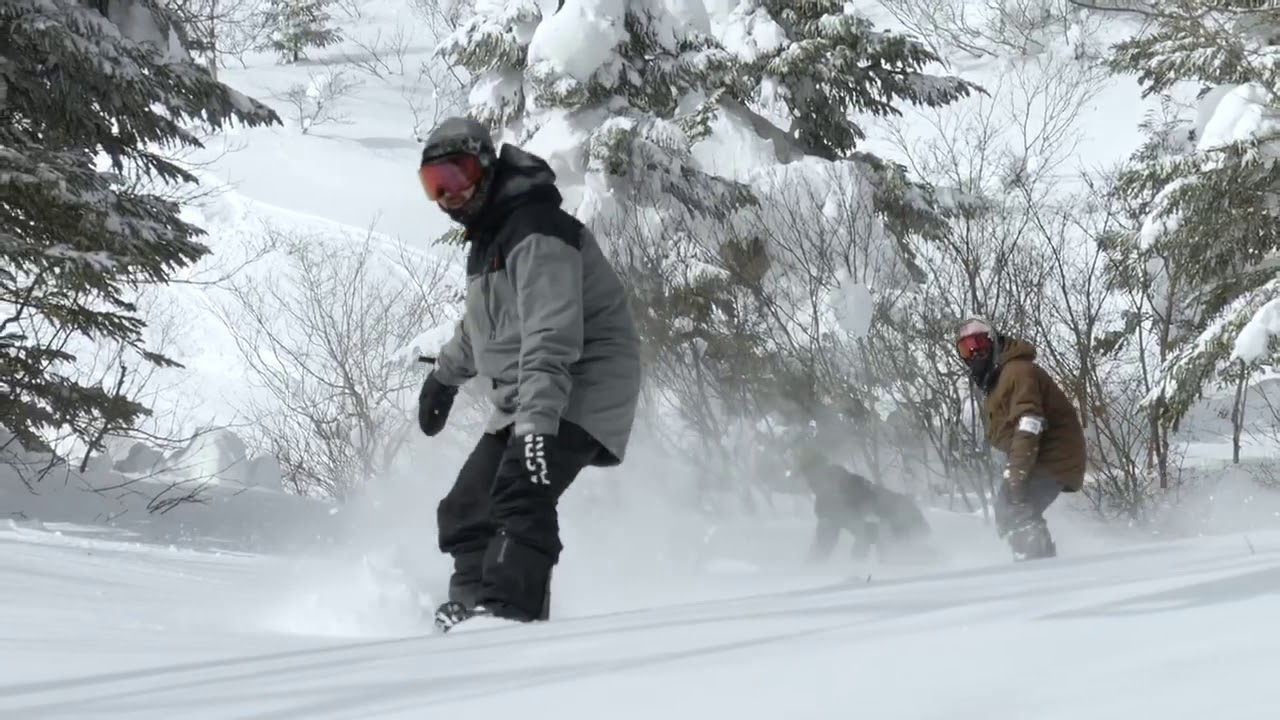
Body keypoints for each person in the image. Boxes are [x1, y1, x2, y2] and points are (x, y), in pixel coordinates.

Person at [413, 116, 642, 630]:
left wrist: (536, 427)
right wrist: (443, 379)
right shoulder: (491, 240)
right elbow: (478, 330)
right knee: (465, 507)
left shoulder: (538, 230)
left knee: (521, 491)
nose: (450, 195)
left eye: (458, 175)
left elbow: (552, 336)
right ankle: (472, 606)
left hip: (579, 388)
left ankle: (507, 620)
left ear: (488, 166)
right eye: (435, 186)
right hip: (531, 396)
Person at [955, 317, 1086, 561]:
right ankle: (1037, 560)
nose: (974, 354)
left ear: (994, 343)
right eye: (966, 349)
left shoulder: (1017, 371)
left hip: (1054, 457)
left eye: (979, 345)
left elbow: (1029, 424)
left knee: (1013, 508)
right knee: (1009, 508)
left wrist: (1016, 475)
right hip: (1044, 456)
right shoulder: (999, 379)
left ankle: (1037, 566)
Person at [800, 456, 934, 564]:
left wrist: (861, 547)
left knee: (895, 558)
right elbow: (824, 542)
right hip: (897, 517)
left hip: (906, 518)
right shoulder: (827, 502)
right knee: (890, 554)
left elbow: (872, 524)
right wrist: (809, 570)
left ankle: (938, 564)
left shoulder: (850, 489)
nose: (811, 486)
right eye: (810, 481)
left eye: (814, 480)